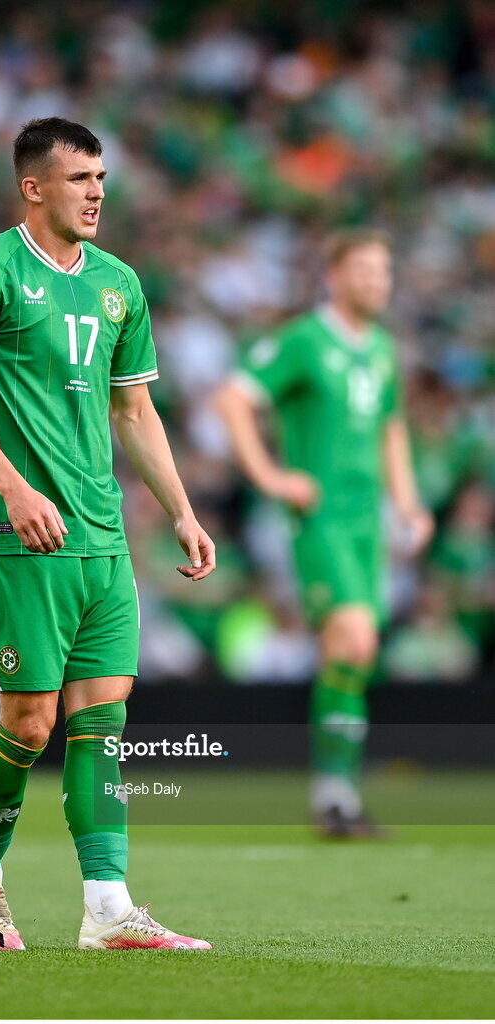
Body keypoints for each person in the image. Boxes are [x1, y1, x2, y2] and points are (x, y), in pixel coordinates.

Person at [0, 118, 215, 949]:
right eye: (80, 177)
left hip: (102, 537)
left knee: (102, 721)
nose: (98, 192)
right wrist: (14, 488)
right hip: (22, 533)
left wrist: (181, 508)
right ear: (34, 186)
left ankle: (107, 910)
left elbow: (134, 409)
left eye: (102, 177)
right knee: (28, 724)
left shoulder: (119, 283)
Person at [215, 229, 433, 837]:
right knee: (355, 639)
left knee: (353, 654)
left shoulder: (384, 348)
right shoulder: (305, 340)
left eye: (384, 271)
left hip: (369, 525)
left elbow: (391, 428)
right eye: (364, 269)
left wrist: (409, 503)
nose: (376, 282)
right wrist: (271, 476)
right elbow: (233, 398)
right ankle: (335, 796)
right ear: (333, 276)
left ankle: (338, 797)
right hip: (323, 520)